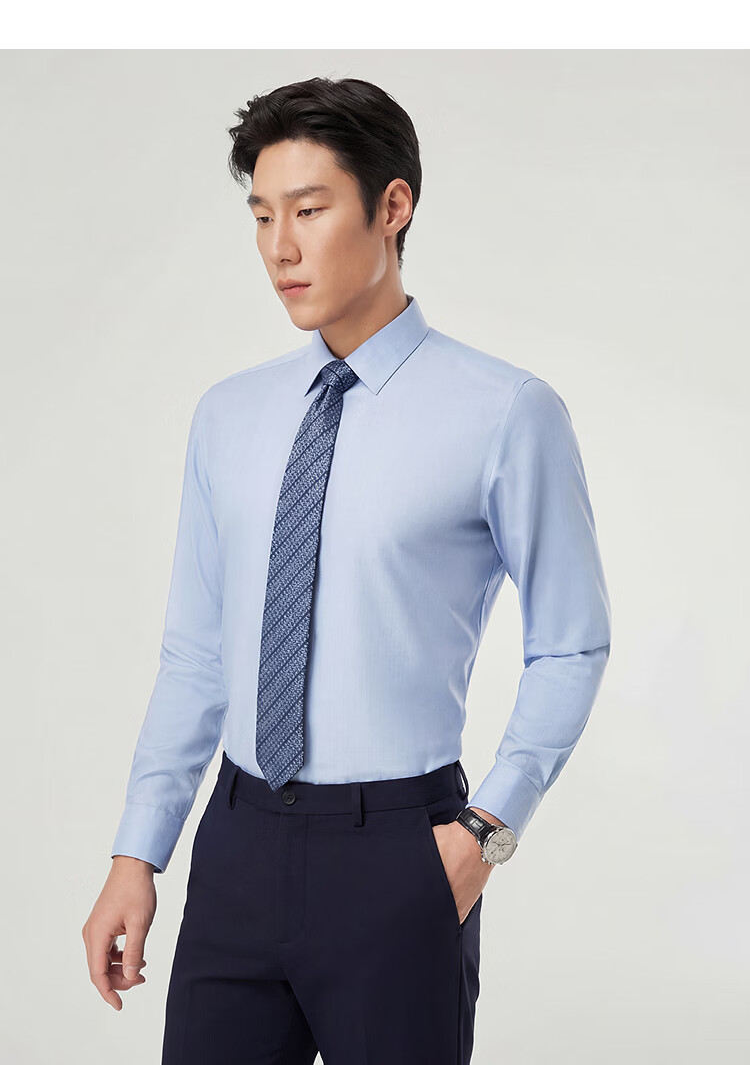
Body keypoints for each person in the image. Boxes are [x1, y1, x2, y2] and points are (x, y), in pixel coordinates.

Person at [82, 75, 611, 1064]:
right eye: (262, 216)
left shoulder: (506, 412)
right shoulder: (228, 416)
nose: (279, 248)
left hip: (402, 851)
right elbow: (196, 655)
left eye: (310, 210)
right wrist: (137, 851)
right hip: (236, 847)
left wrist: (485, 834)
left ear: (392, 206)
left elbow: (573, 644)